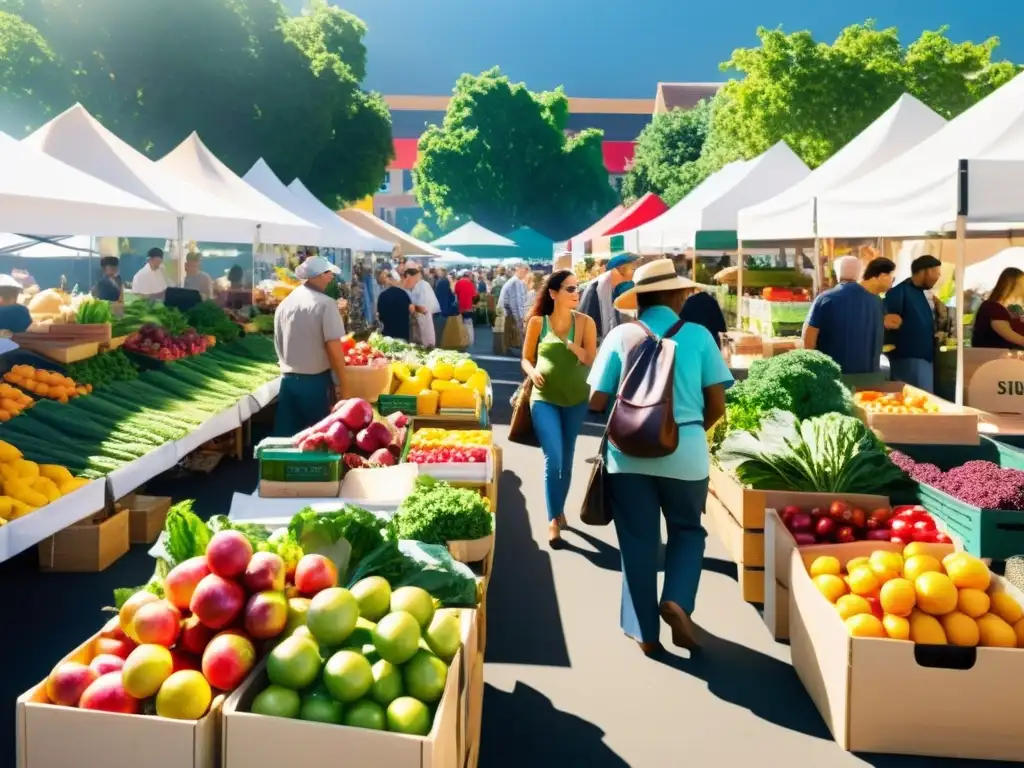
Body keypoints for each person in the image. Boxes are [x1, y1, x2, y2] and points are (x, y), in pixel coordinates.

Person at [588, 258, 732, 656]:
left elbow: (596, 400)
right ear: (672, 294)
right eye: (683, 291)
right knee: (687, 531)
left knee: (637, 541)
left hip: (628, 456)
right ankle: (678, 601)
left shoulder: (620, 335)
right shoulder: (700, 336)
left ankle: (644, 631)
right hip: (686, 453)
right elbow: (717, 404)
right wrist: (685, 434)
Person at [520, 270, 597, 548]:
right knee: (554, 458)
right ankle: (553, 519)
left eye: (578, 288)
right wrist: (532, 372)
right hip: (543, 398)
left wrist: (571, 346)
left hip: (576, 399)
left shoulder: (586, 322)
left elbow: (591, 359)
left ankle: (560, 510)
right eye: (570, 288)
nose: (576, 293)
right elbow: (526, 359)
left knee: (567, 459)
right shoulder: (538, 323)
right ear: (553, 293)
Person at [273, 256, 347, 437]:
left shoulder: (285, 304)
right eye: (328, 273)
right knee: (319, 440)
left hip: (287, 380)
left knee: (285, 440)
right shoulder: (325, 304)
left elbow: (277, 341)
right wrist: (344, 382)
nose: (331, 277)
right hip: (315, 383)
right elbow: (334, 347)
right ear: (317, 276)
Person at [802, 257, 898, 375]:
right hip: (870, 377)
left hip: (833, 376)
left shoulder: (826, 299)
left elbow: (809, 337)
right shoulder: (877, 301)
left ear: (838, 275)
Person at [884, 255, 942, 391]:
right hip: (907, 359)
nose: (938, 277)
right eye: (936, 273)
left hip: (924, 358)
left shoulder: (922, 294)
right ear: (925, 271)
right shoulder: (899, 292)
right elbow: (888, 322)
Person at [578, 252, 637, 341]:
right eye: (632, 269)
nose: (634, 273)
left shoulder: (615, 289)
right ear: (622, 269)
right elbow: (587, 321)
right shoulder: (596, 288)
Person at [972, 267, 1024, 348]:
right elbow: (1008, 334)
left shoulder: (1011, 309)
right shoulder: (992, 307)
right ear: (1013, 285)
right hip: (996, 357)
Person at [403, 265, 440, 347]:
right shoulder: (414, 286)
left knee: (426, 342)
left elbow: (424, 306)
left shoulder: (422, 285)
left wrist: (412, 309)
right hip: (418, 320)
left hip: (425, 319)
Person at [497, 262, 530, 347]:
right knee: (519, 335)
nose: (527, 272)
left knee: (509, 336)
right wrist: (521, 318)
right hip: (510, 313)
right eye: (525, 270)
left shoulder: (514, 281)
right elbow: (517, 303)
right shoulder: (516, 282)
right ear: (518, 269)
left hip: (507, 312)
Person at [455, 269, 479, 346]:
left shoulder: (458, 283)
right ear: (468, 276)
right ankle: (470, 340)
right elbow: (475, 295)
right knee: (469, 323)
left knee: (461, 324)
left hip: (461, 307)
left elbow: (456, 294)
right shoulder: (470, 283)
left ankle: (462, 340)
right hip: (469, 307)